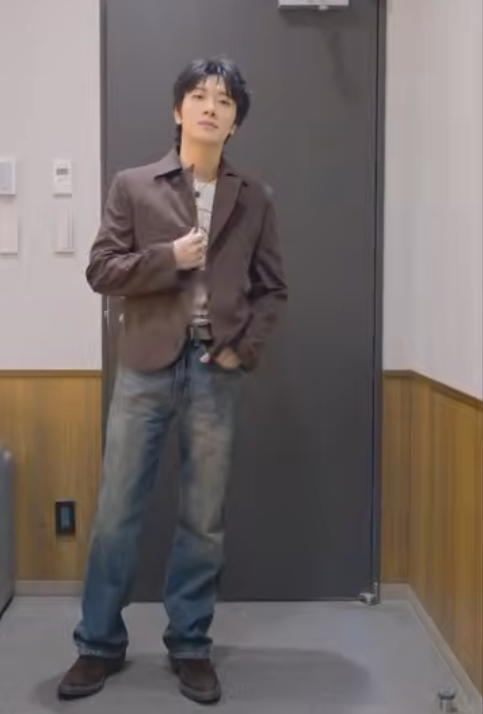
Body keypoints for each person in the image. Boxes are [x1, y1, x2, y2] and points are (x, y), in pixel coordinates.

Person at [57, 57, 287, 706]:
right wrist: (169, 257)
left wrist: (243, 351)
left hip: (216, 372)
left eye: (224, 100)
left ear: (235, 122)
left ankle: (190, 645)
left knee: (203, 520)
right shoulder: (133, 185)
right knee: (115, 513)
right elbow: (101, 270)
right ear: (177, 110)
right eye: (199, 96)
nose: (211, 107)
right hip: (143, 369)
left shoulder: (254, 197)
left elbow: (273, 289)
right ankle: (97, 644)